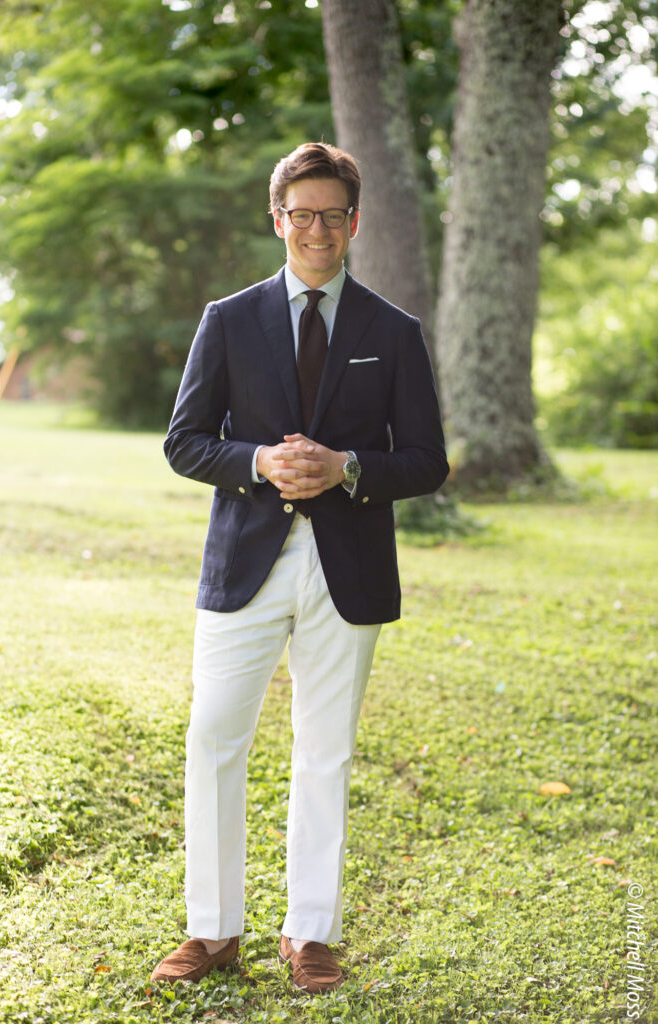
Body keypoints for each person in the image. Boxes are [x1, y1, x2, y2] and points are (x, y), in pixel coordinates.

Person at [151, 142, 448, 993]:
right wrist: (257, 463)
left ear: (353, 224)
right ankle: (211, 932)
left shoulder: (393, 332)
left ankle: (310, 934)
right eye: (301, 213)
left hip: (345, 568)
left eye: (332, 214)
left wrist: (348, 466)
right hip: (244, 563)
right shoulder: (227, 318)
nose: (316, 229)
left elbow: (426, 461)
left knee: (326, 752)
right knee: (214, 738)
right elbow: (185, 442)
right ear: (277, 220)